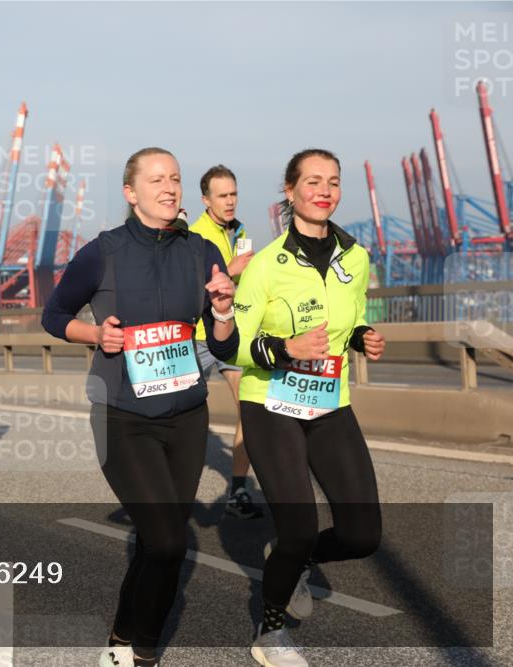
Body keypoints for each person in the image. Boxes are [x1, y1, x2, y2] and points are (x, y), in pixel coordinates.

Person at [42, 147, 238, 667]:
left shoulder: (201, 252)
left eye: (174, 178)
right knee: (171, 541)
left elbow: (221, 347)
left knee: (159, 544)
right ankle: (144, 653)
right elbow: (54, 313)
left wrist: (222, 311)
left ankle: (122, 639)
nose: (169, 188)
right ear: (131, 193)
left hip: (187, 416)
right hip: (122, 417)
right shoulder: (102, 252)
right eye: (156, 180)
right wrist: (95, 333)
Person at [234, 149, 385, 667]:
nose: (325, 190)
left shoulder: (356, 257)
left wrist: (363, 336)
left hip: (328, 401)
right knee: (298, 525)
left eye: (333, 182)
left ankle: (289, 557)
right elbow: (229, 346)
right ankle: (270, 632)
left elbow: (352, 318)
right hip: (271, 402)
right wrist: (285, 349)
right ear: (290, 190)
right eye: (313, 181)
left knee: (363, 535)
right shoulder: (265, 265)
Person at [188, 165, 264, 520]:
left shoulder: (242, 231)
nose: (230, 201)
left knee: (250, 407)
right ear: (206, 200)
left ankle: (238, 491)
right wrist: (230, 270)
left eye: (233, 193)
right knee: (180, 416)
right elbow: (187, 291)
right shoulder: (193, 236)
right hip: (198, 337)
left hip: (232, 334)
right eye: (222, 195)